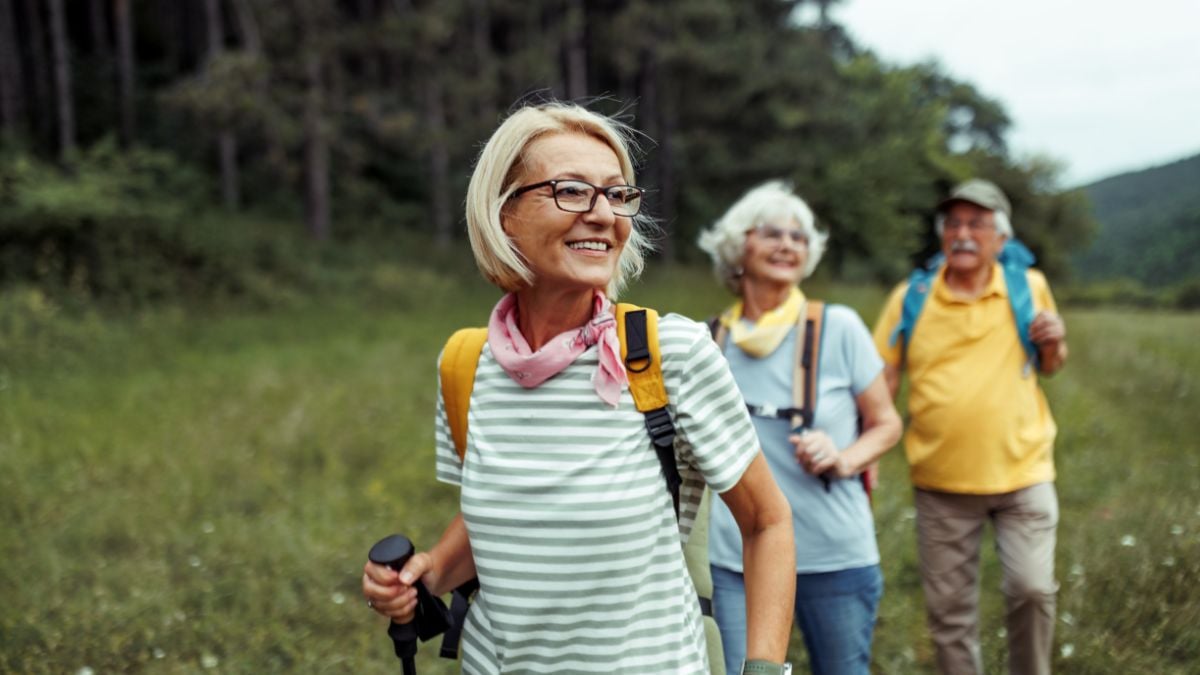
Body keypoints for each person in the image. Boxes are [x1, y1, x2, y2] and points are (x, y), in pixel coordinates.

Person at [361, 101, 797, 674]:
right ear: (504, 212)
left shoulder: (673, 354)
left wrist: (765, 670)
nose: (602, 214)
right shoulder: (466, 364)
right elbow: (508, 517)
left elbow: (767, 523)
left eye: (617, 195)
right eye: (571, 190)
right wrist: (425, 576)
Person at [697, 181, 902, 675]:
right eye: (772, 233)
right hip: (735, 559)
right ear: (737, 246)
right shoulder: (705, 340)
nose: (788, 244)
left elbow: (887, 423)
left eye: (800, 237)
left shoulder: (840, 327)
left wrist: (844, 457)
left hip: (832, 554)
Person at [870, 179, 1068, 675]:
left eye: (977, 224)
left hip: (1024, 472)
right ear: (942, 234)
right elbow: (881, 379)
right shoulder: (911, 296)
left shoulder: (1028, 286)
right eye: (953, 223)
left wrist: (1055, 340)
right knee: (950, 615)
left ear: (1000, 239)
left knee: (1033, 588)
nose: (962, 234)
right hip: (941, 483)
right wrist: (867, 450)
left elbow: (1051, 363)